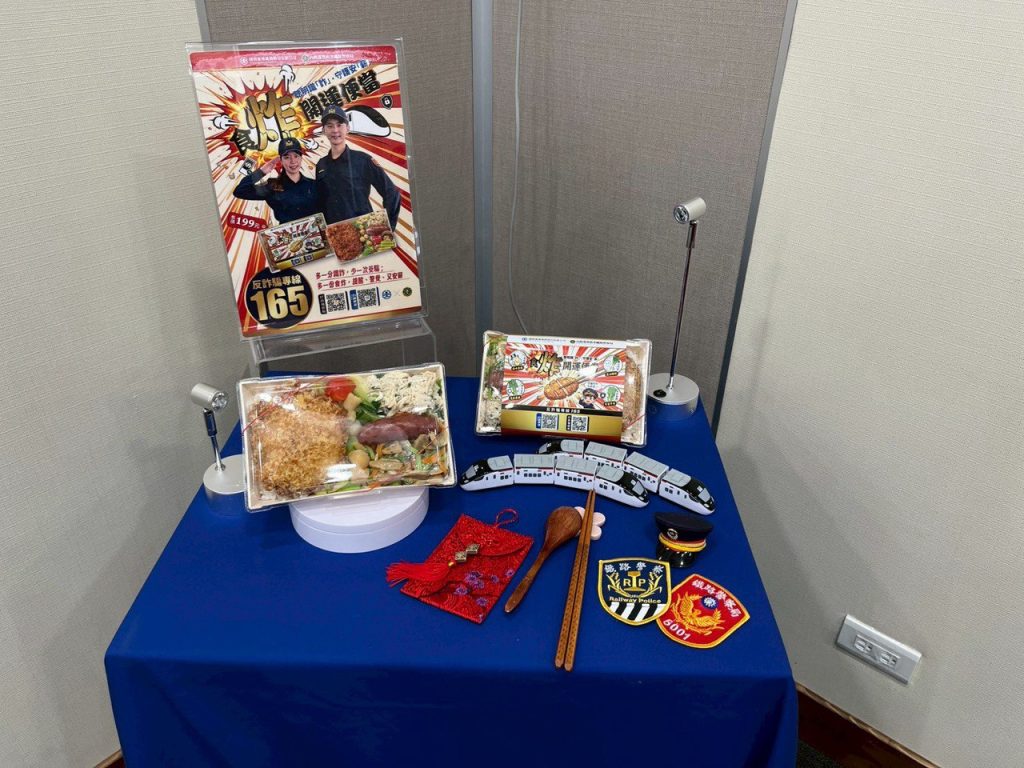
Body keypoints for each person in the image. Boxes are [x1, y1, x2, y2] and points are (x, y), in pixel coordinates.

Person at [316, 104, 401, 230]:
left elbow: (391, 193)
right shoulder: (321, 165)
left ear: (347, 128)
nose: (335, 130)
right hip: (335, 235)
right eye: (330, 126)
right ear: (324, 130)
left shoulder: (363, 160)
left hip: (363, 233)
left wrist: (386, 227)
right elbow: (321, 203)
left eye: (339, 125)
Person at [232, 137, 319, 224]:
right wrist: (261, 172)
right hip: (286, 232)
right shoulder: (273, 186)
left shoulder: (314, 185)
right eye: (287, 157)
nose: (293, 161)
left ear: (301, 158)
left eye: (296, 156)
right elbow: (240, 191)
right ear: (281, 160)